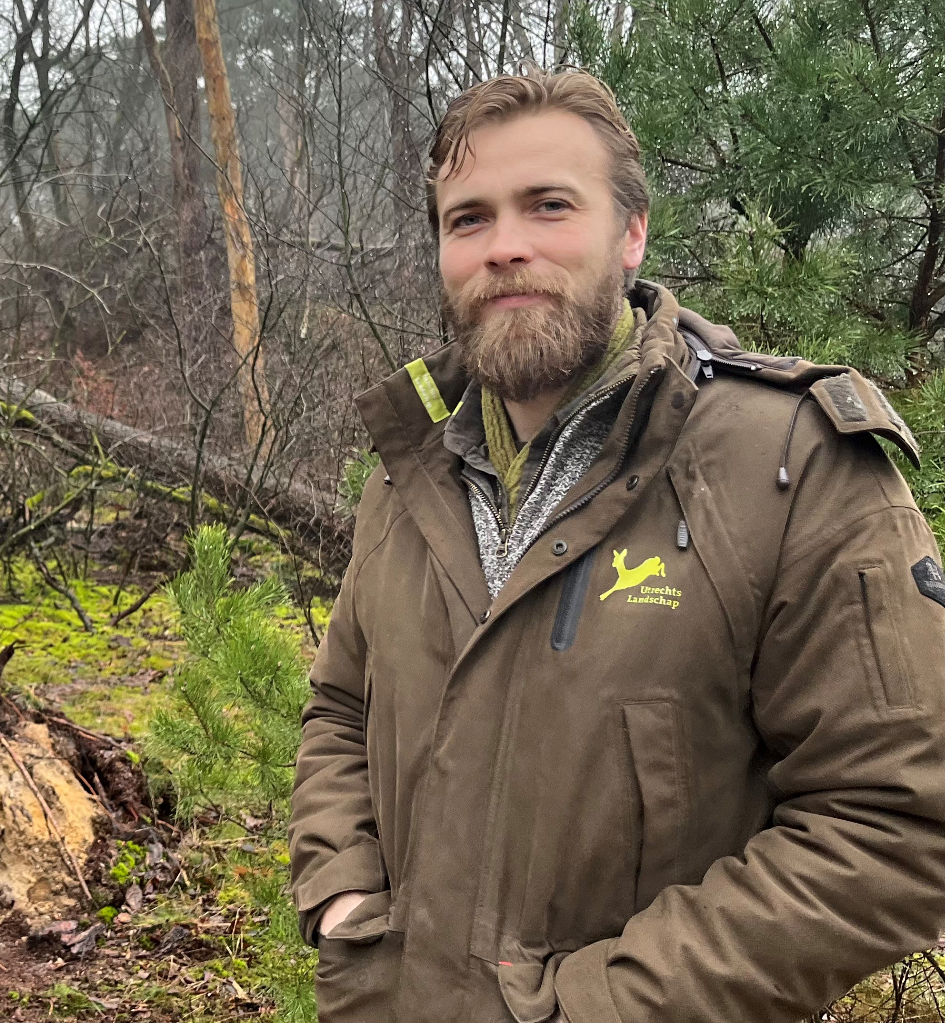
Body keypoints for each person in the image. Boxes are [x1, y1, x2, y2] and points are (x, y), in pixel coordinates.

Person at [286, 65, 945, 1023]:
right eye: (467, 220)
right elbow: (341, 706)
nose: (504, 247)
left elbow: (897, 822)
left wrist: (599, 1008)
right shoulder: (411, 468)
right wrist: (344, 894)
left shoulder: (790, 461)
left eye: (548, 206)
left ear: (630, 233)